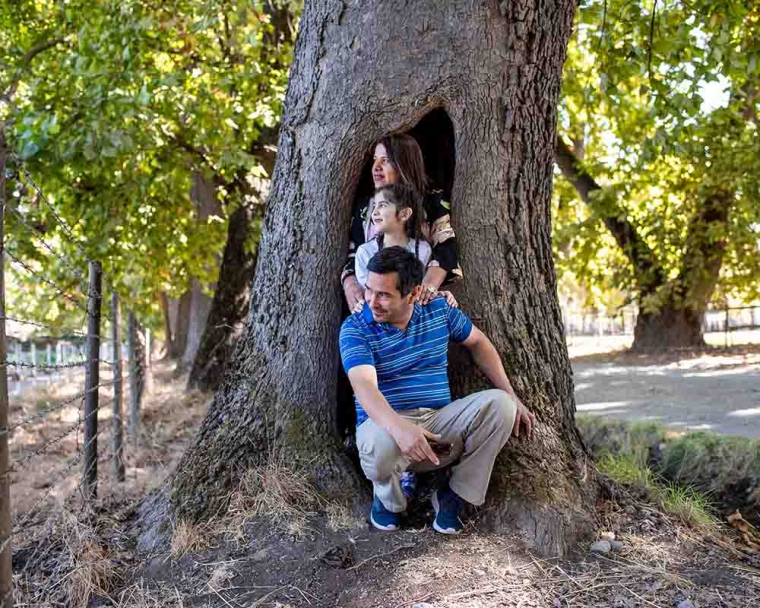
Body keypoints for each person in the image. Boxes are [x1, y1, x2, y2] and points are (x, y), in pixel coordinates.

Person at [339, 247, 536, 534]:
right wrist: (401, 430)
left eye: (383, 294)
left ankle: (453, 495)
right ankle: (388, 500)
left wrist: (513, 395)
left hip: (439, 428)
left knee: (502, 405)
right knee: (377, 440)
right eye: (369, 290)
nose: (371, 301)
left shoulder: (438, 309)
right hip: (386, 429)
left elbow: (479, 343)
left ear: (412, 293)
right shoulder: (356, 327)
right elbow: (364, 386)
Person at [341, 134, 462, 312]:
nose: (376, 167)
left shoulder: (431, 200)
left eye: (386, 160)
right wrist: (351, 286)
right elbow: (352, 254)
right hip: (373, 306)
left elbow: (446, 246)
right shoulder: (364, 207)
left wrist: (426, 288)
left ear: (404, 164)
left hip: (415, 305)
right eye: (375, 160)